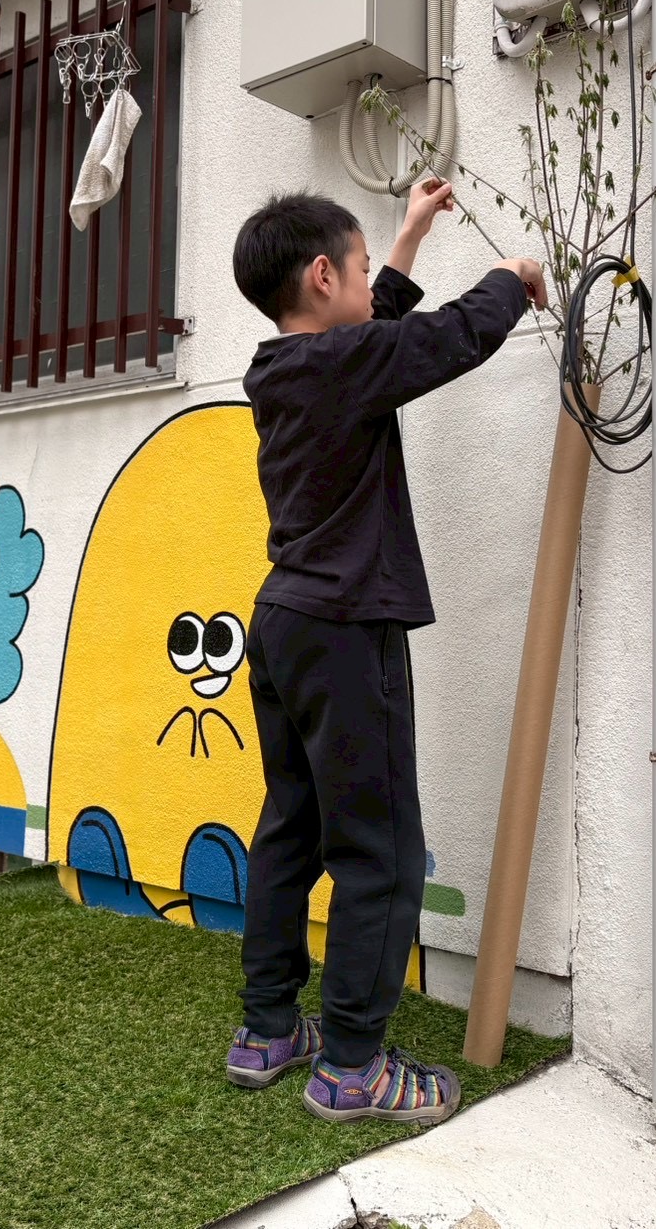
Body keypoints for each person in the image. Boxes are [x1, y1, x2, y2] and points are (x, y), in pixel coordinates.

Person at [226, 181, 547, 1123]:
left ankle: (269, 1028)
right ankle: (355, 1064)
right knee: (384, 850)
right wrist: (508, 276)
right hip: (343, 627)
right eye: (361, 269)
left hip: (284, 620)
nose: (373, 283)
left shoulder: (289, 367)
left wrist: (406, 235)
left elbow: (376, 332)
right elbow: (440, 340)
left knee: (292, 826)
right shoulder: (344, 365)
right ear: (322, 276)